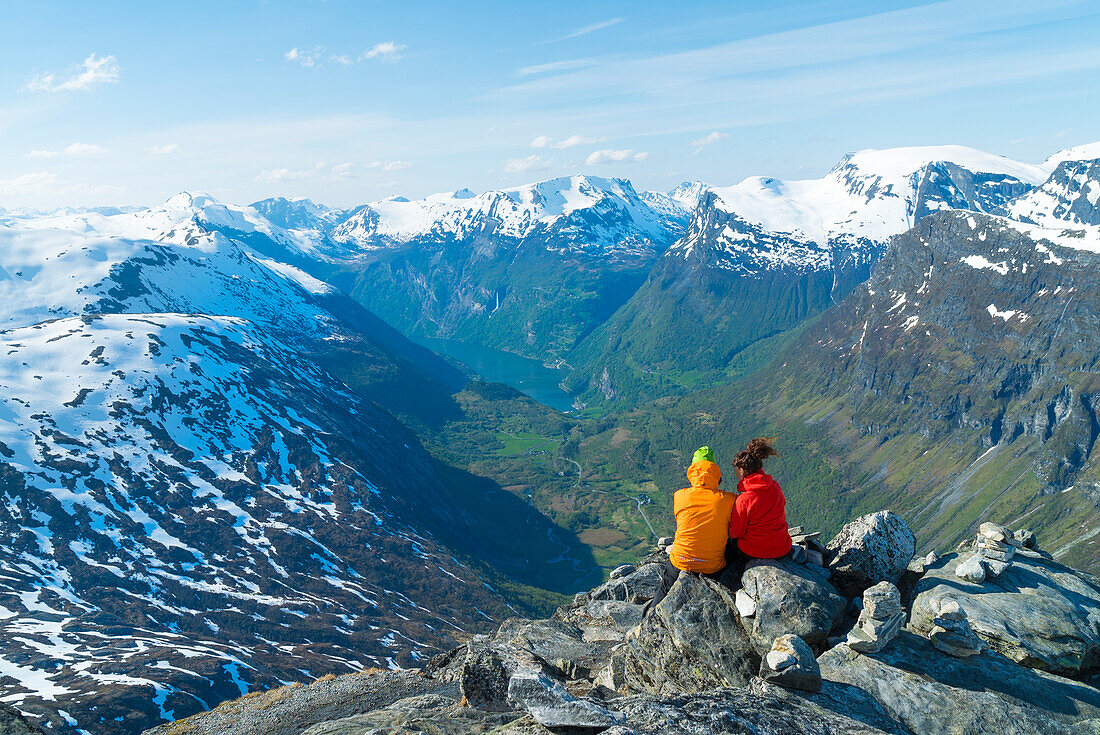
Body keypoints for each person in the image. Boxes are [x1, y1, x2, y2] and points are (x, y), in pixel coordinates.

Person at [646, 446, 736, 613]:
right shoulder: (729, 499)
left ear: (692, 473)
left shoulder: (679, 495)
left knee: (665, 587)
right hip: (713, 568)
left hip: (681, 562)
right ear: (717, 474)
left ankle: (648, 619)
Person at [728, 437, 792, 568]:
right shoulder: (774, 486)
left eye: (736, 472)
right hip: (782, 548)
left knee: (728, 544)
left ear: (742, 471)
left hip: (754, 552)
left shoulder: (744, 499)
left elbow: (735, 533)